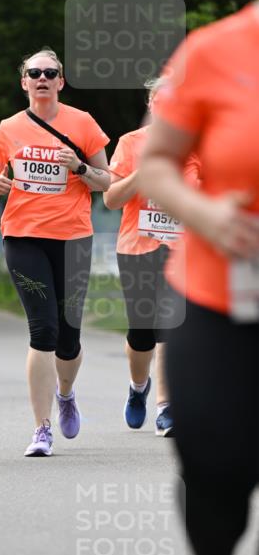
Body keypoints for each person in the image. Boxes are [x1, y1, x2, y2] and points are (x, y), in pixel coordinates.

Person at [138, 0, 259, 555]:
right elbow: (152, 164)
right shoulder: (214, 52)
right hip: (223, 296)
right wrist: (202, 212)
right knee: (214, 468)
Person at [0, 48, 110, 457]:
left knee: (69, 336)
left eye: (49, 73)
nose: (41, 78)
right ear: (24, 82)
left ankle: (65, 393)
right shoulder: (9, 128)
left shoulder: (83, 123)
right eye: (33, 72)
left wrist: (80, 168)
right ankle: (41, 428)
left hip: (72, 238)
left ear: (60, 81)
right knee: (43, 330)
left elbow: (107, 181)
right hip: (23, 237)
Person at [105, 79, 200, 437]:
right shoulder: (130, 143)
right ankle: (137, 387)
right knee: (141, 333)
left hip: (180, 249)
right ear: (151, 103)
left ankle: (166, 406)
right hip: (136, 248)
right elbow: (111, 200)